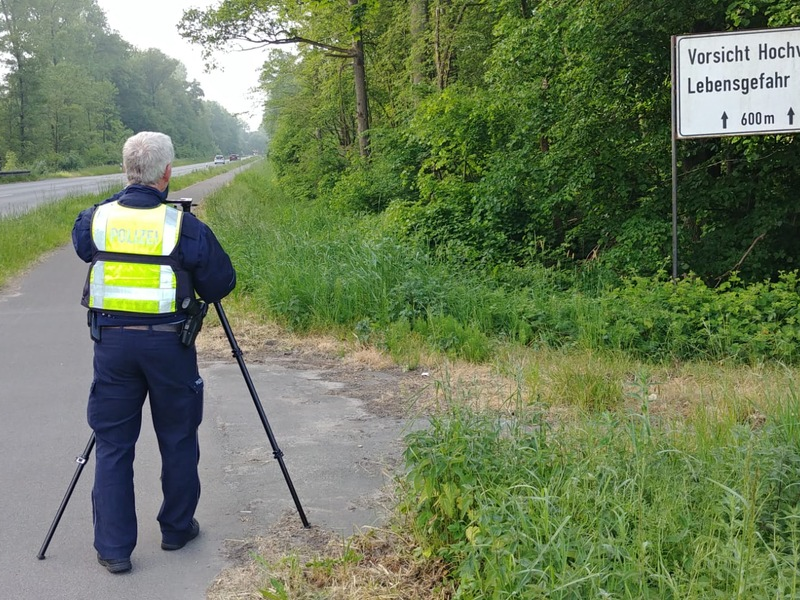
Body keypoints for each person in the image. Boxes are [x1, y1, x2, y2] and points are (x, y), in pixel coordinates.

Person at [72, 131, 236, 574]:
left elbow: (84, 241)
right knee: (178, 436)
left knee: (113, 445)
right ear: (167, 174)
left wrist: (126, 191)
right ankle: (176, 528)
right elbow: (221, 284)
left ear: (127, 172)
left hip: (112, 346)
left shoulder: (97, 220)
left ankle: (114, 548)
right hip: (169, 345)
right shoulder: (184, 227)